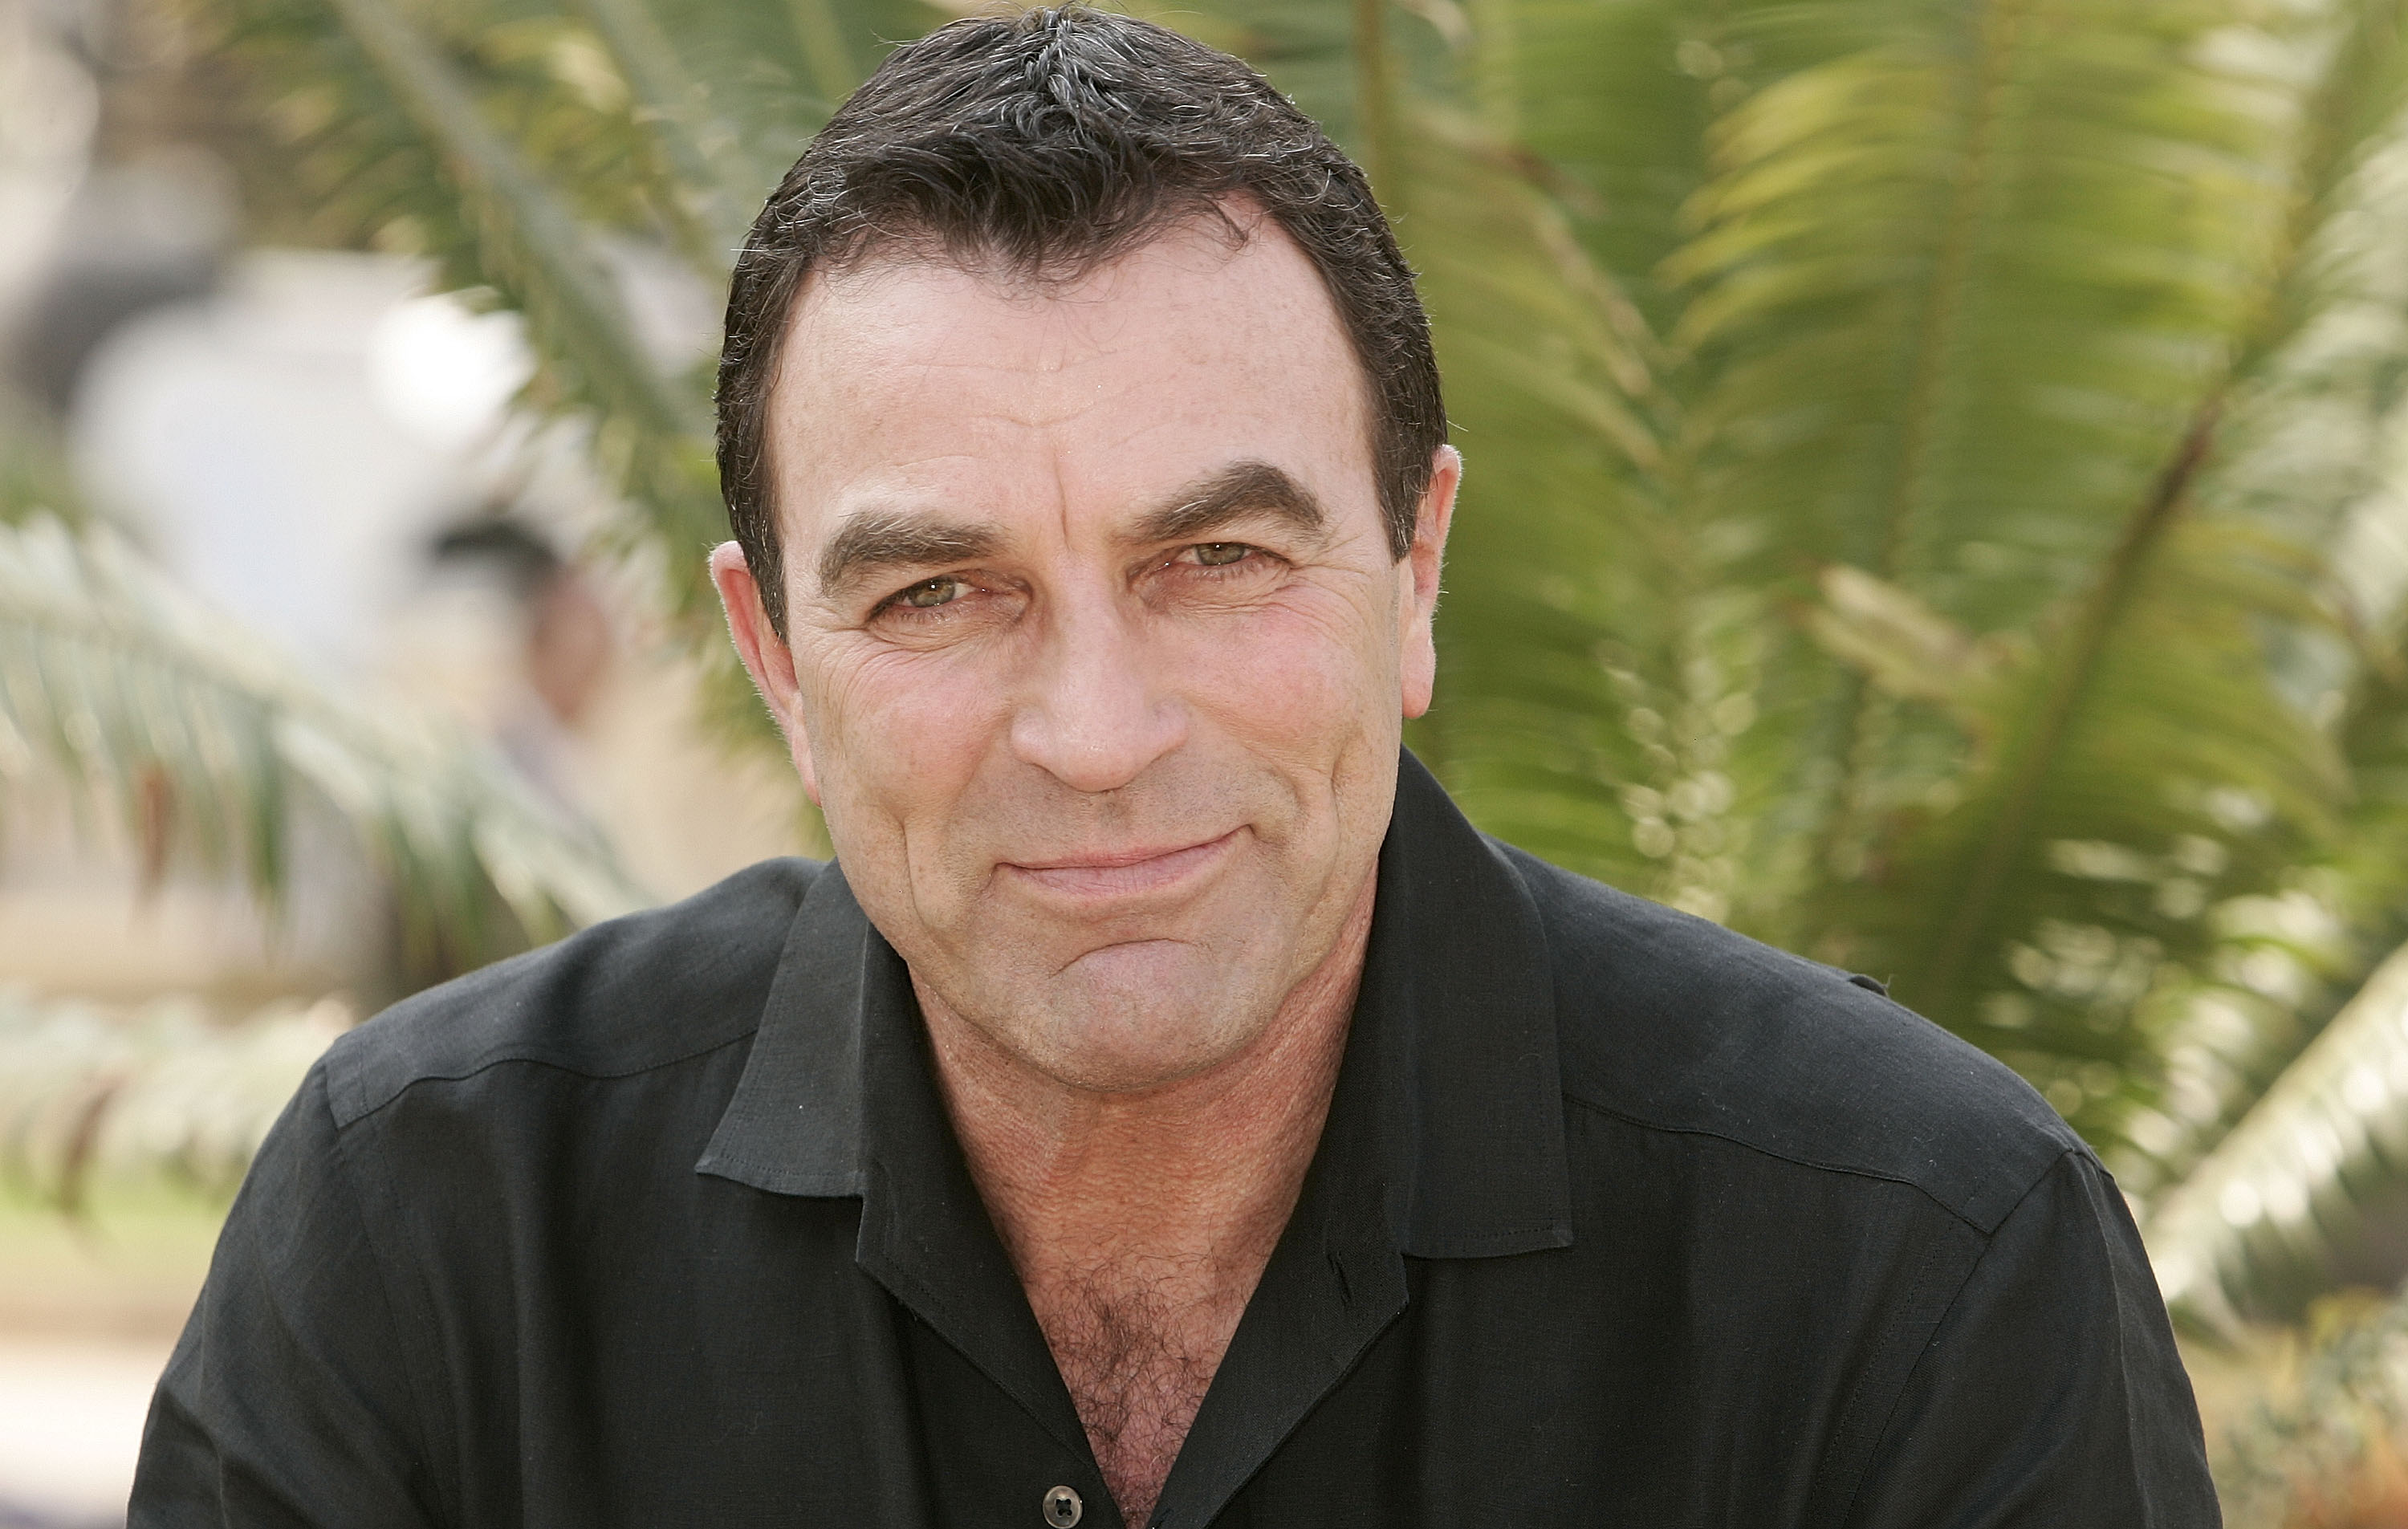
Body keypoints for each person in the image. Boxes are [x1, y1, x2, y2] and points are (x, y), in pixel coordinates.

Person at [132, 9, 2220, 1527]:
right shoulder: (432, 1228)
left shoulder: (1919, 1265)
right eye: (941, 592)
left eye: (1215, 560)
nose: (1098, 733)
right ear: (773, 654)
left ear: (1416, 574)